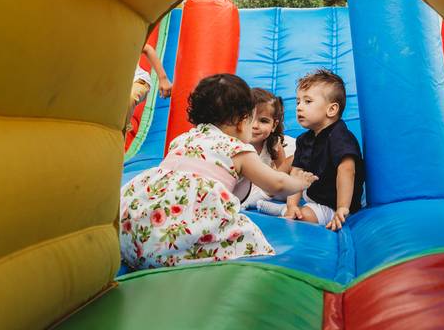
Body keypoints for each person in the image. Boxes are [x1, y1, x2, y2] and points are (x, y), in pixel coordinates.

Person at [119, 73, 317, 269]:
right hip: (170, 246)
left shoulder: (184, 138)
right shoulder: (237, 149)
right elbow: (278, 184)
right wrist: (300, 183)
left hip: (133, 233)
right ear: (242, 121)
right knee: (249, 236)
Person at [258, 69, 364, 232]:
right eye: (298, 102)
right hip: (313, 191)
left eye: (307, 102)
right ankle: (273, 203)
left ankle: (276, 208)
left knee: (303, 217)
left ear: (331, 110)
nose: (299, 107)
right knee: (289, 197)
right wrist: (292, 204)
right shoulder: (304, 139)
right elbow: (296, 173)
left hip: (334, 203)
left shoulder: (340, 137)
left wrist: (342, 207)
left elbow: (347, 170)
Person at [238, 88, 296, 208]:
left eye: (263, 121)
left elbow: (282, 172)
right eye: (249, 119)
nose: (255, 126)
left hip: (268, 176)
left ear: (274, 125)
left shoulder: (274, 146)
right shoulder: (236, 146)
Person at [125, 44, 173, 134]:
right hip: (112, 88)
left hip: (137, 81)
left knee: (130, 98)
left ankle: (123, 126)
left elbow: (147, 49)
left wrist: (163, 78)